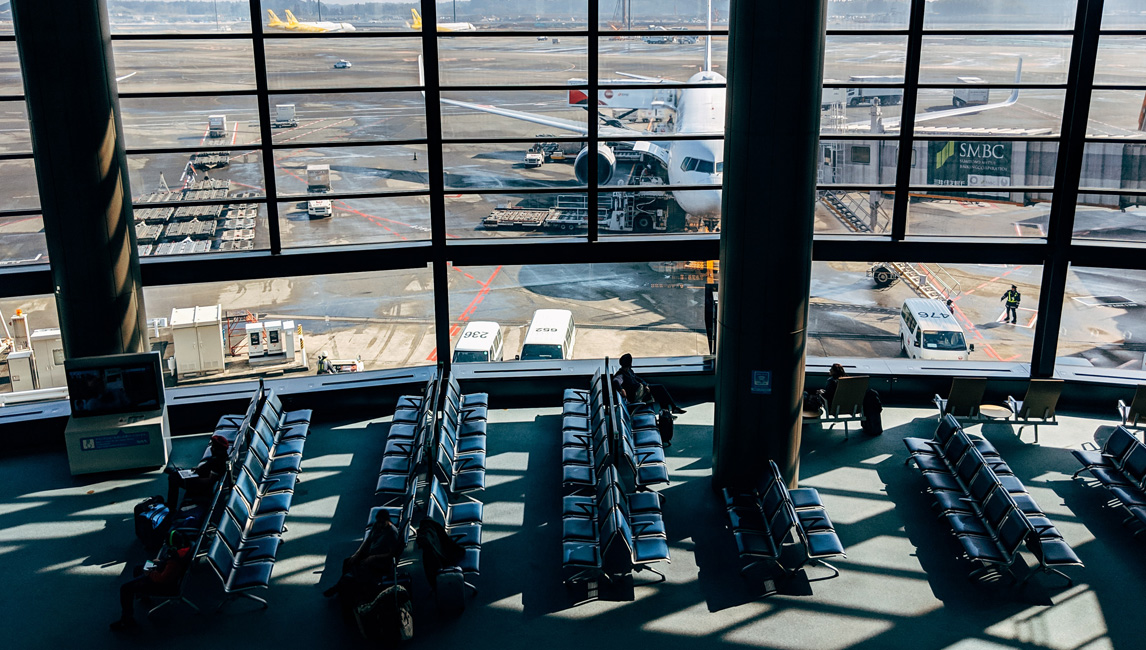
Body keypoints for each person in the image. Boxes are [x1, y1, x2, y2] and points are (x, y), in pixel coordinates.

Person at [110, 530, 193, 631]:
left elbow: (162, 578)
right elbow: (168, 567)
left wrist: (149, 572)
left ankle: (127, 620)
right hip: (163, 572)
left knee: (125, 588)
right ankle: (143, 596)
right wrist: (161, 563)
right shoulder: (182, 550)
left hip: (163, 585)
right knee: (137, 568)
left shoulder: (174, 561)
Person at [324, 510, 404, 598]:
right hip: (370, 554)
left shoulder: (392, 533)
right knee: (348, 562)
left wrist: (373, 558)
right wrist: (357, 554)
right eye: (378, 522)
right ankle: (342, 586)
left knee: (358, 568)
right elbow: (368, 540)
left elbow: (391, 554)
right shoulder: (377, 525)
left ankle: (341, 587)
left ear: (387, 521)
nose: (379, 525)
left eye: (382, 522)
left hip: (380, 561)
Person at [164, 435, 228, 508]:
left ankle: (171, 507)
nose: (211, 448)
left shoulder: (218, 462)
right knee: (176, 474)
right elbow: (208, 468)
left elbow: (208, 481)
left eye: (213, 446)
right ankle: (178, 472)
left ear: (216, 448)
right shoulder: (219, 457)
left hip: (201, 487)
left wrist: (190, 478)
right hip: (198, 475)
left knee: (173, 478)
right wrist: (197, 470)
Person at [612, 353, 686, 414]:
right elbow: (615, 381)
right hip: (637, 395)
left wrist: (645, 385)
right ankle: (669, 409)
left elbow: (638, 378)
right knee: (659, 389)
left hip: (641, 390)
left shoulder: (629, 371)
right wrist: (621, 389)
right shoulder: (621, 374)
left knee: (660, 390)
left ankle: (668, 410)